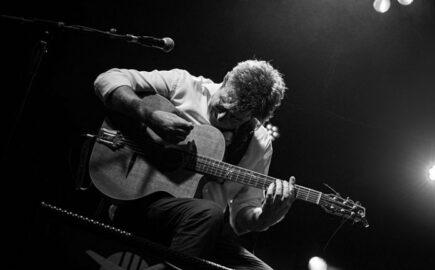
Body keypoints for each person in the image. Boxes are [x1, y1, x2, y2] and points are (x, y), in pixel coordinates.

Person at [93, 59, 294, 270]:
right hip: (141, 204)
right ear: (225, 80)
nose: (222, 116)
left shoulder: (259, 143)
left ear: (254, 119)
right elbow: (107, 79)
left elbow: (241, 218)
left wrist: (265, 218)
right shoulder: (184, 85)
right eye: (223, 105)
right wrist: (150, 116)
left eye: (234, 117)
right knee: (209, 213)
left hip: (202, 231)